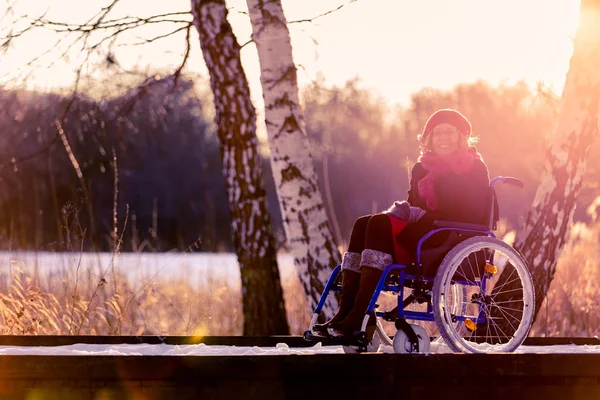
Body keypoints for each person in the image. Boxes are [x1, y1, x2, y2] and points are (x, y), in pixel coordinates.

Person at [311, 108, 490, 339]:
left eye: (449, 132)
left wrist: (436, 191)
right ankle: (345, 312)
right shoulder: (421, 168)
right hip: (424, 230)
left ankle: (358, 315)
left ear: (461, 137)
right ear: (429, 139)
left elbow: (473, 212)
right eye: (437, 133)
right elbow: (414, 204)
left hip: (452, 236)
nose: (443, 138)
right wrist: (410, 211)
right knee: (364, 223)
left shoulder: (473, 166)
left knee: (378, 224)